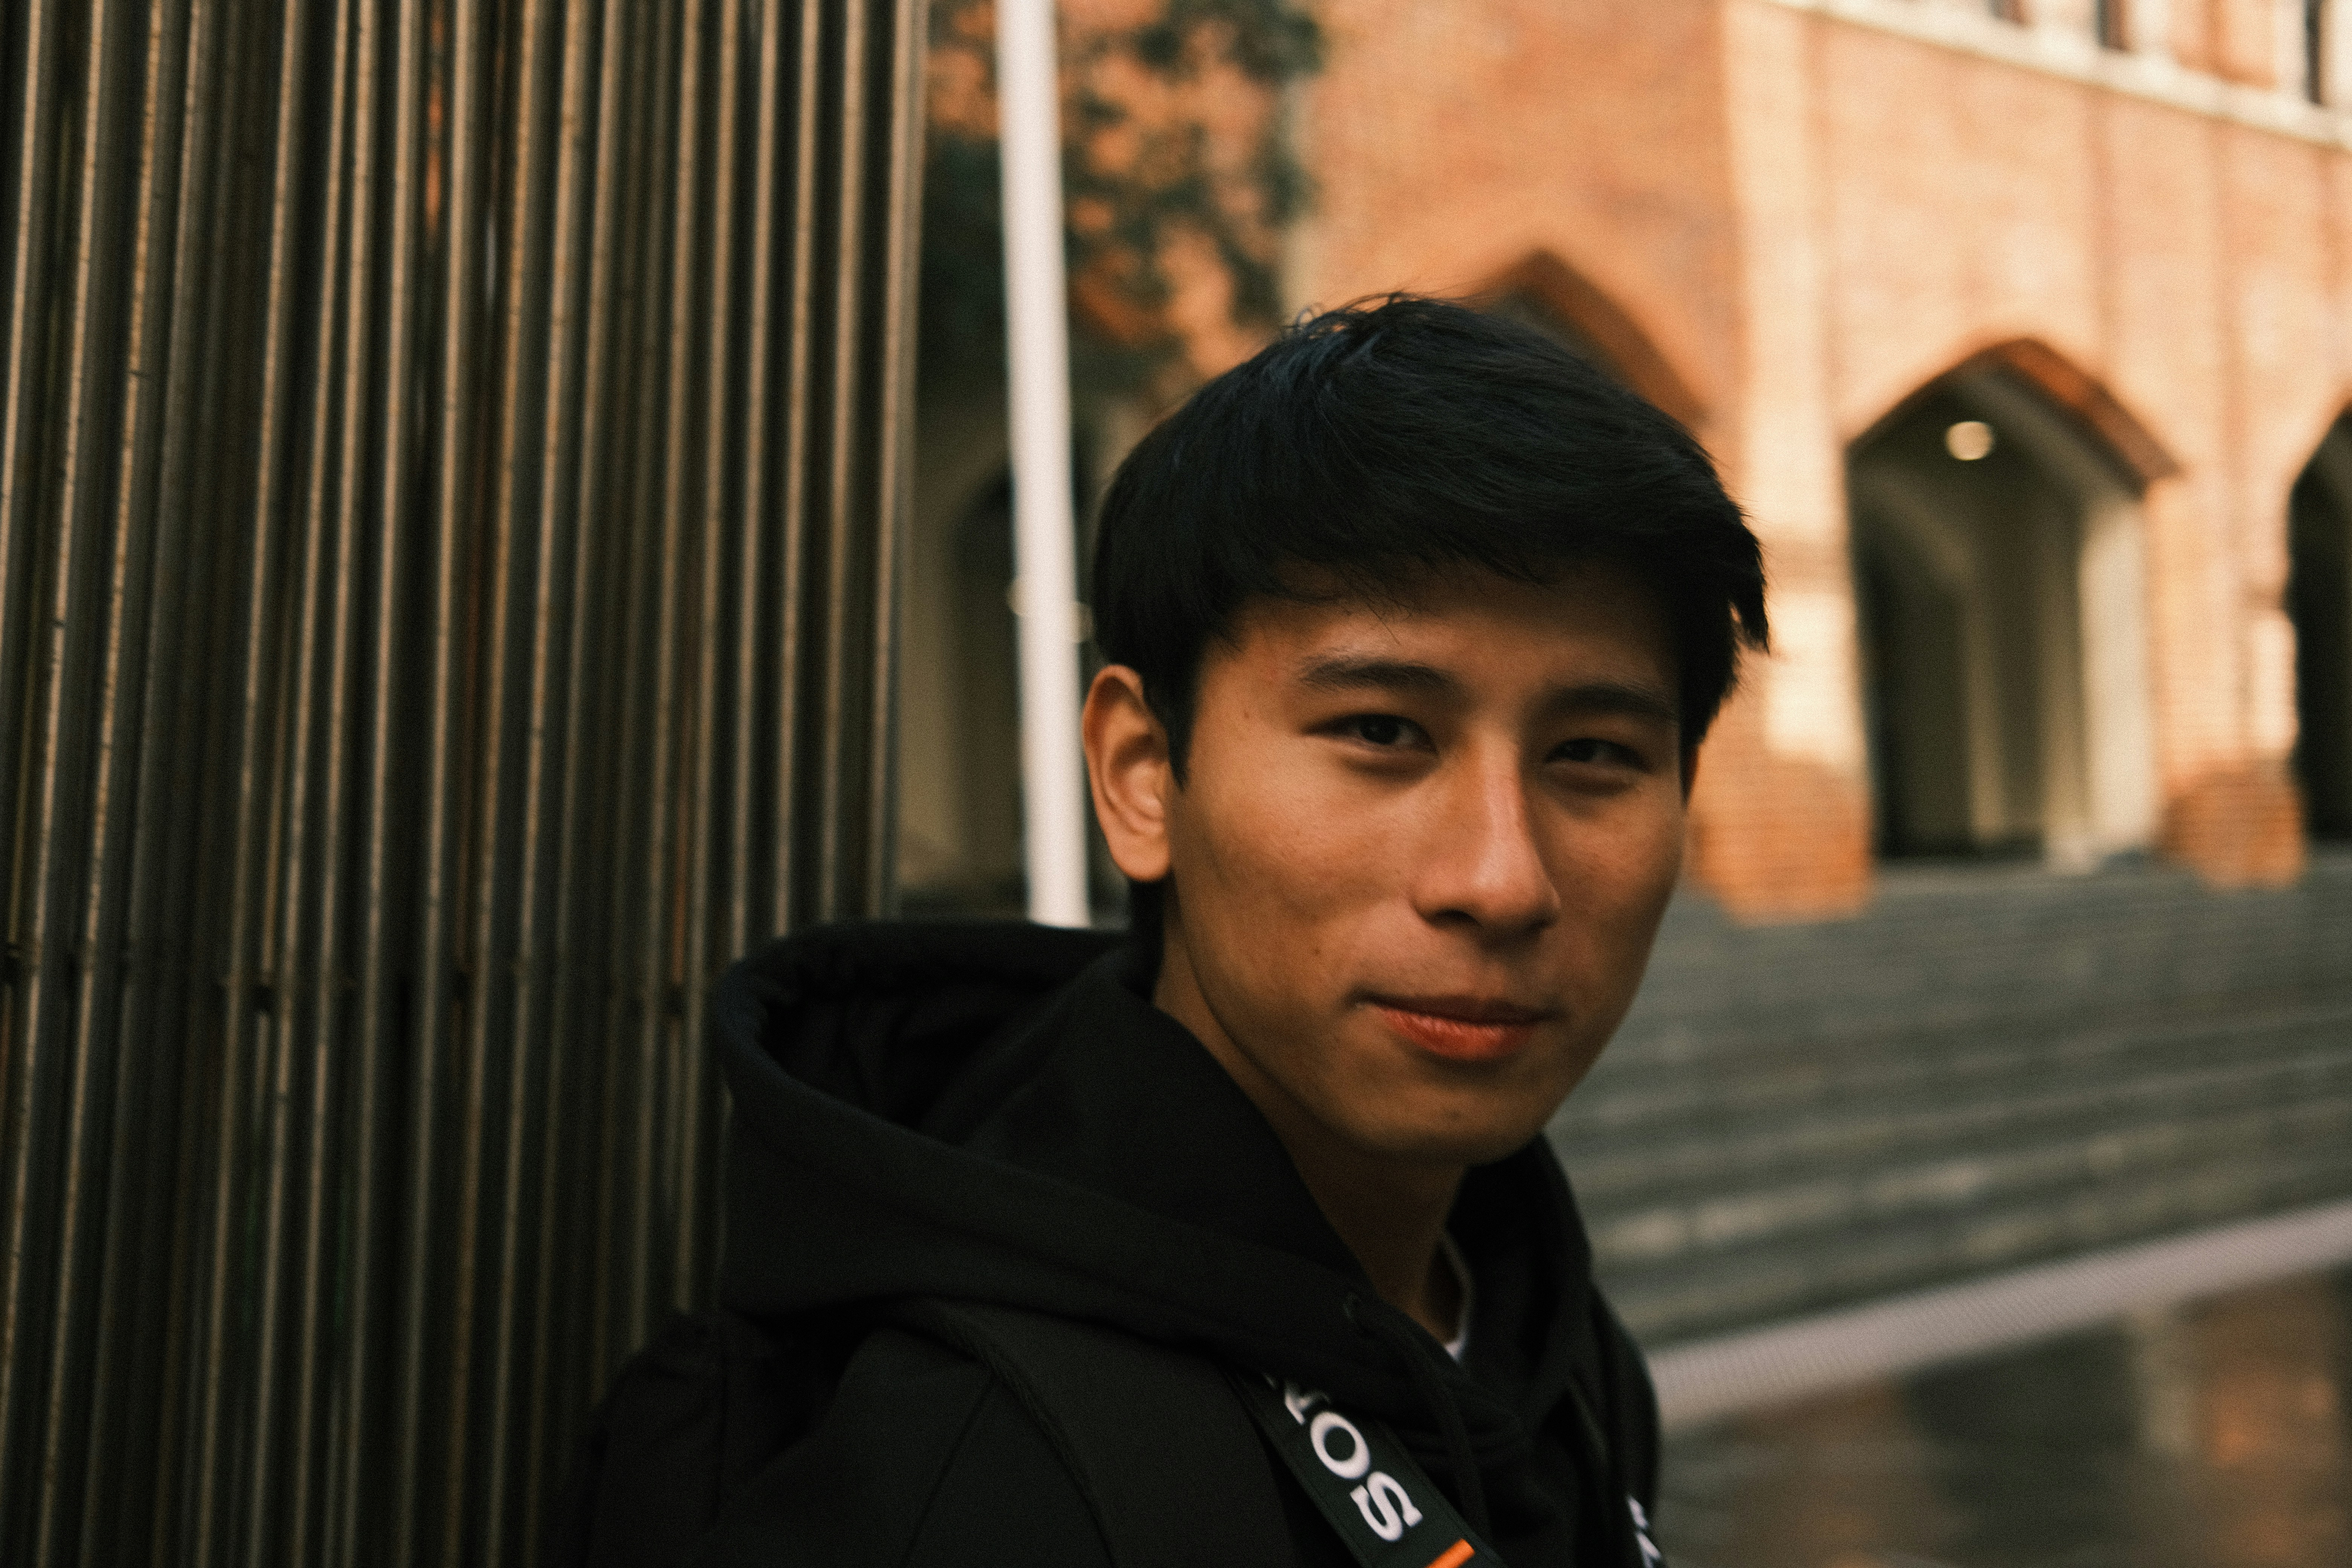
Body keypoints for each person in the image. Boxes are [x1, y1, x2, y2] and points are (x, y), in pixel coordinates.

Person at [556, 295, 1765, 1568]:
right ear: (1142, 774)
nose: (1503, 879)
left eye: (1592, 753)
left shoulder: (1555, 1347)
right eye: (1382, 732)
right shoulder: (974, 1471)